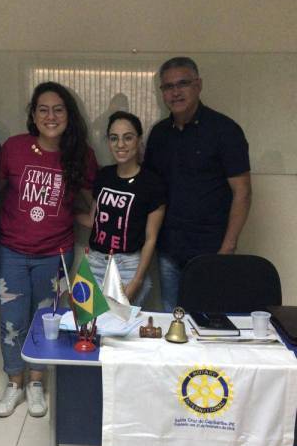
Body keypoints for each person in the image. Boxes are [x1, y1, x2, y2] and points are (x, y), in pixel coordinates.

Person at [0, 81, 97, 418]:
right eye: (43, 109)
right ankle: (14, 383)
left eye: (58, 109)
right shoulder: (14, 148)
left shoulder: (81, 155)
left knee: (46, 321)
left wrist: (82, 219)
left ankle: (36, 383)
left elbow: (92, 204)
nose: (51, 116)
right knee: (12, 323)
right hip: (11, 253)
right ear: (33, 115)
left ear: (69, 115)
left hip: (55, 255)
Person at [143, 57, 252, 312]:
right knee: (174, 318)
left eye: (183, 83)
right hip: (169, 250)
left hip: (211, 250)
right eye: (168, 86)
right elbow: (151, 191)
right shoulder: (159, 134)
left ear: (198, 85)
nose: (175, 92)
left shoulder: (225, 131)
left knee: (209, 321)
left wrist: (227, 249)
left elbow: (243, 192)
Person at [78, 111, 166, 305]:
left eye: (128, 138)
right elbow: (93, 219)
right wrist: (64, 212)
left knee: (117, 323)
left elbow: (151, 239)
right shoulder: (104, 176)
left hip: (128, 267)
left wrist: (137, 281)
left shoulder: (152, 183)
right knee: (84, 321)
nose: (120, 144)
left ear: (139, 140)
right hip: (95, 262)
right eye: (114, 138)